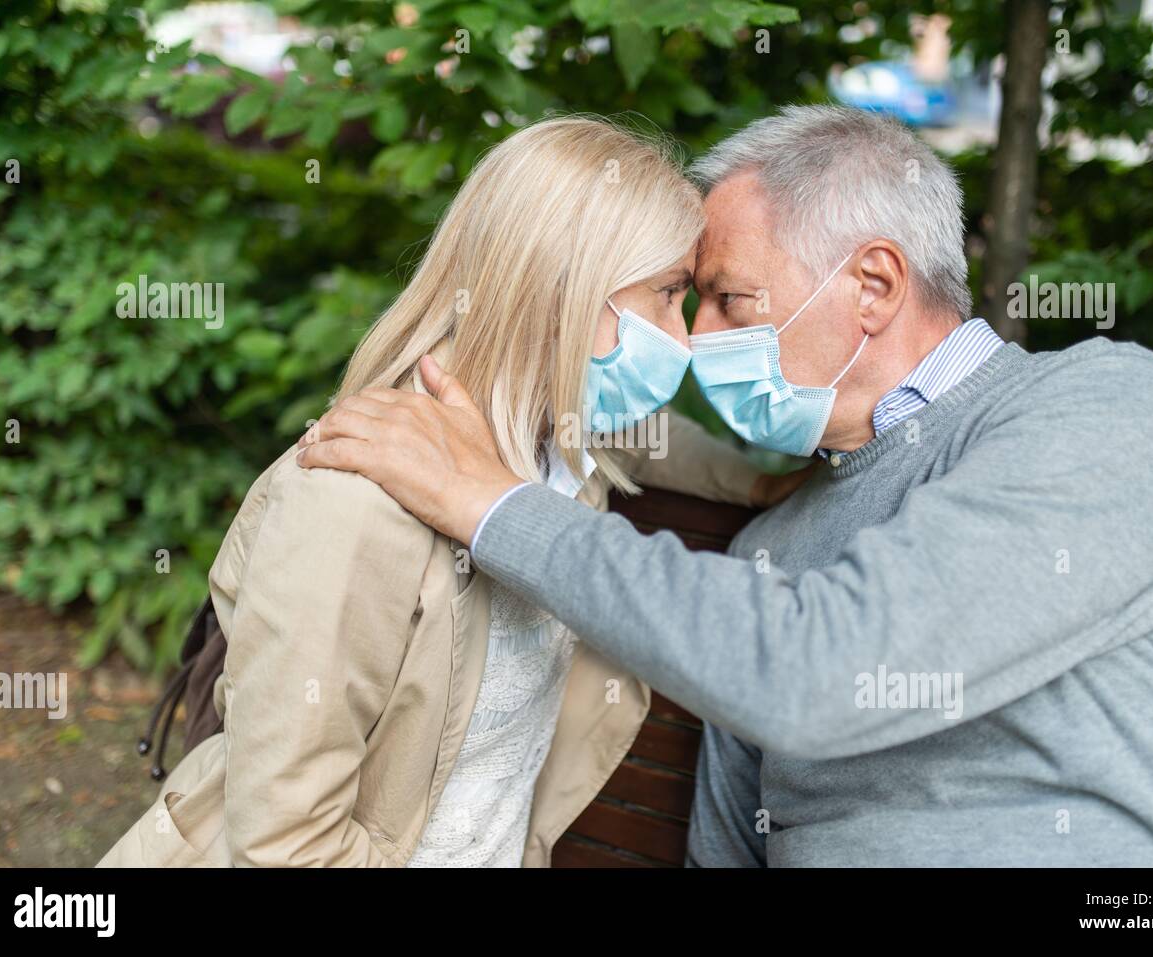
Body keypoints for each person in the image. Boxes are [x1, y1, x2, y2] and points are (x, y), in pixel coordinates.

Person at [298, 105, 1153, 866]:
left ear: (874, 286)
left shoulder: (1105, 408)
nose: (695, 341)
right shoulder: (772, 548)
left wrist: (493, 504)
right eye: (686, 301)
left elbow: (820, 673)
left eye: (729, 299)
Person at [99, 116, 791, 868]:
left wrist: (763, 480)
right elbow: (286, 846)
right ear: (561, 284)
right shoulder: (351, 506)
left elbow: (653, 446)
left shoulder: (556, 454)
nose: (682, 341)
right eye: (667, 295)